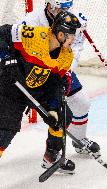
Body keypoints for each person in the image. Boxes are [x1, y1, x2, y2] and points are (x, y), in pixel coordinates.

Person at [0, 11, 81, 173]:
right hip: (11, 86)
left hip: (38, 89)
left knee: (63, 116)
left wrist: (53, 108)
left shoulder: (67, 56)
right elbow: (2, 32)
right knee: (6, 129)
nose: (74, 39)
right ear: (60, 33)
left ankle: (51, 157)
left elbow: (56, 85)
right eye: (71, 35)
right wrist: (7, 57)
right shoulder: (34, 36)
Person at [18, 0, 101, 156]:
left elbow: (75, 48)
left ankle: (78, 140)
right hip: (32, 72)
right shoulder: (30, 21)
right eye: (61, 9)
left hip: (59, 69)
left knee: (80, 104)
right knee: (11, 115)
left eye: (68, 8)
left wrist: (67, 71)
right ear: (50, 6)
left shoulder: (76, 20)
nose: (66, 12)